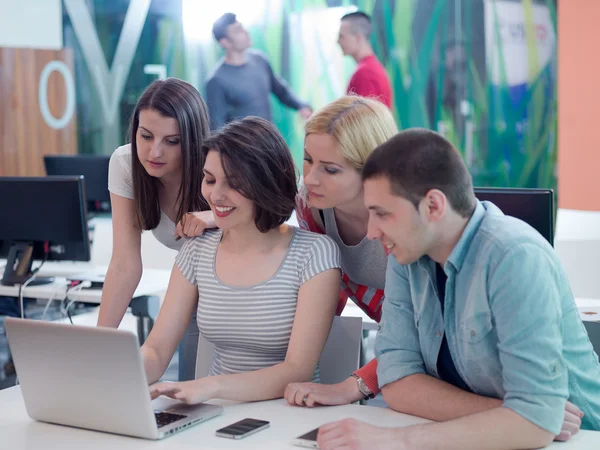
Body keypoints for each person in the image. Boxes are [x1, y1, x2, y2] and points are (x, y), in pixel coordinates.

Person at [316, 128, 600, 450]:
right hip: (500, 436)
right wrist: (513, 416)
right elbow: (396, 382)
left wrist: (392, 440)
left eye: (382, 214)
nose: (371, 232)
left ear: (434, 206)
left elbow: (535, 426)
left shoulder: (515, 255)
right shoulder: (405, 256)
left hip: (579, 440)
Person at [144, 117, 341, 404]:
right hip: (217, 413)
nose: (215, 195)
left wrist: (211, 387)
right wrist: (118, 376)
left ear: (265, 185)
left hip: (290, 415)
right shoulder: (197, 250)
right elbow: (157, 350)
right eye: (209, 180)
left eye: (233, 184)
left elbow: (297, 370)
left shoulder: (315, 253)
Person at [284, 96, 397, 407]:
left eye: (330, 169)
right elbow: (329, 289)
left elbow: (417, 328)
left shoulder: (404, 220)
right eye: (307, 160)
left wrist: (353, 386)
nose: (310, 178)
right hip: (392, 347)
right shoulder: (310, 204)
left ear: (372, 170)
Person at [98, 78, 213, 381]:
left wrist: (216, 217)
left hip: (243, 295)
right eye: (146, 136)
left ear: (191, 140)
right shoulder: (126, 164)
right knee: (183, 381)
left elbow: (271, 215)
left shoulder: (216, 168)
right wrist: (99, 343)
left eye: (171, 141)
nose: (155, 152)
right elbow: (124, 263)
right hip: (192, 286)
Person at [205, 13, 312, 130]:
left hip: (271, 141)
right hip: (243, 146)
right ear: (224, 42)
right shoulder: (216, 80)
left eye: (242, 27)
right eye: (238, 30)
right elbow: (216, 128)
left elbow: (281, 90)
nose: (246, 32)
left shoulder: (259, 59)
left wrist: (301, 106)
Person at [337, 12, 392, 109]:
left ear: (359, 37)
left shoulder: (365, 73)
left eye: (342, 36)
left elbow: (361, 122)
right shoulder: (370, 68)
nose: (338, 41)